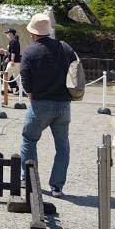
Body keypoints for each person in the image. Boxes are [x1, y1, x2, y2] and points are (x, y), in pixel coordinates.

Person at [19, 13, 77, 198]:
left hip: (40, 104)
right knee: (62, 146)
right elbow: (75, 69)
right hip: (63, 104)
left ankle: (29, 180)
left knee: (29, 139)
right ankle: (57, 187)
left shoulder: (30, 51)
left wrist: (31, 95)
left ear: (33, 33)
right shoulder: (65, 47)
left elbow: (26, 81)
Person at [0, 28, 21, 94]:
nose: (7, 35)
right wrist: (5, 51)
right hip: (17, 62)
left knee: (5, 75)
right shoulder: (16, 41)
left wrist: (12, 60)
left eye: (8, 34)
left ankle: (4, 89)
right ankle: (21, 89)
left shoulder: (13, 41)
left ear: (10, 34)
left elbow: (13, 52)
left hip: (13, 62)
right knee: (16, 77)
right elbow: (11, 52)